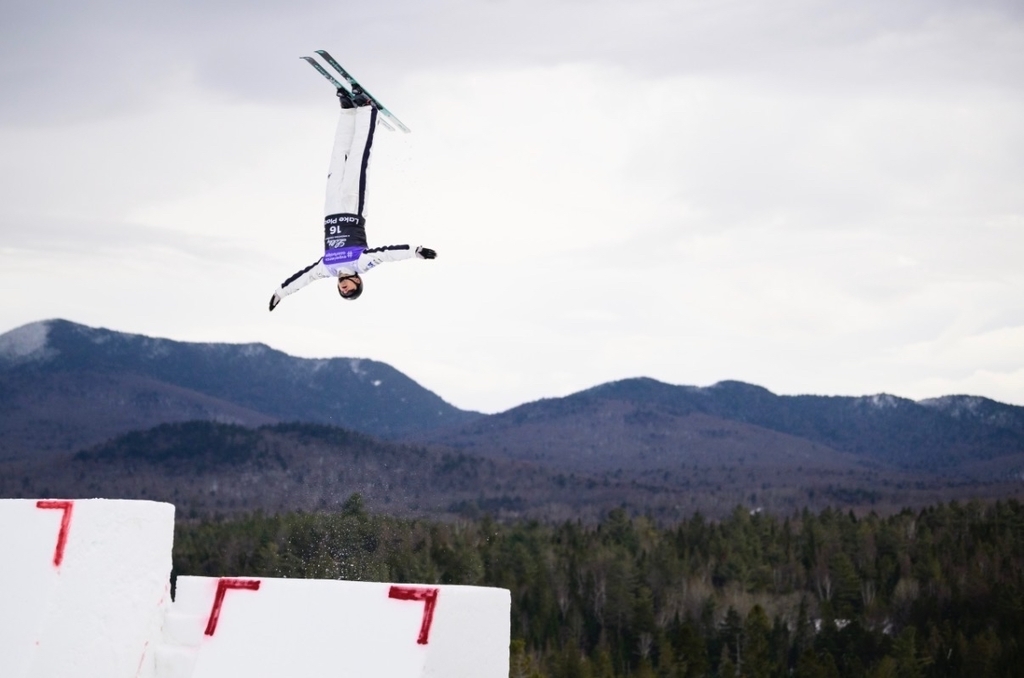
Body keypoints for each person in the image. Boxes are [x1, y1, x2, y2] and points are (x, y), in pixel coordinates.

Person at [269, 91, 435, 311]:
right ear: (358, 281)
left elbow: (304, 278)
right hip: (352, 208)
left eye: (342, 292)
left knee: (338, 156)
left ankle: (347, 112)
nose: (344, 289)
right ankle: (367, 110)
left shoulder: (326, 269)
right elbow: (386, 254)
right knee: (358, 158)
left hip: (330, 210)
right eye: (350, 290)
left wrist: (280, 292)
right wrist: (416, 251)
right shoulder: (361, 263)